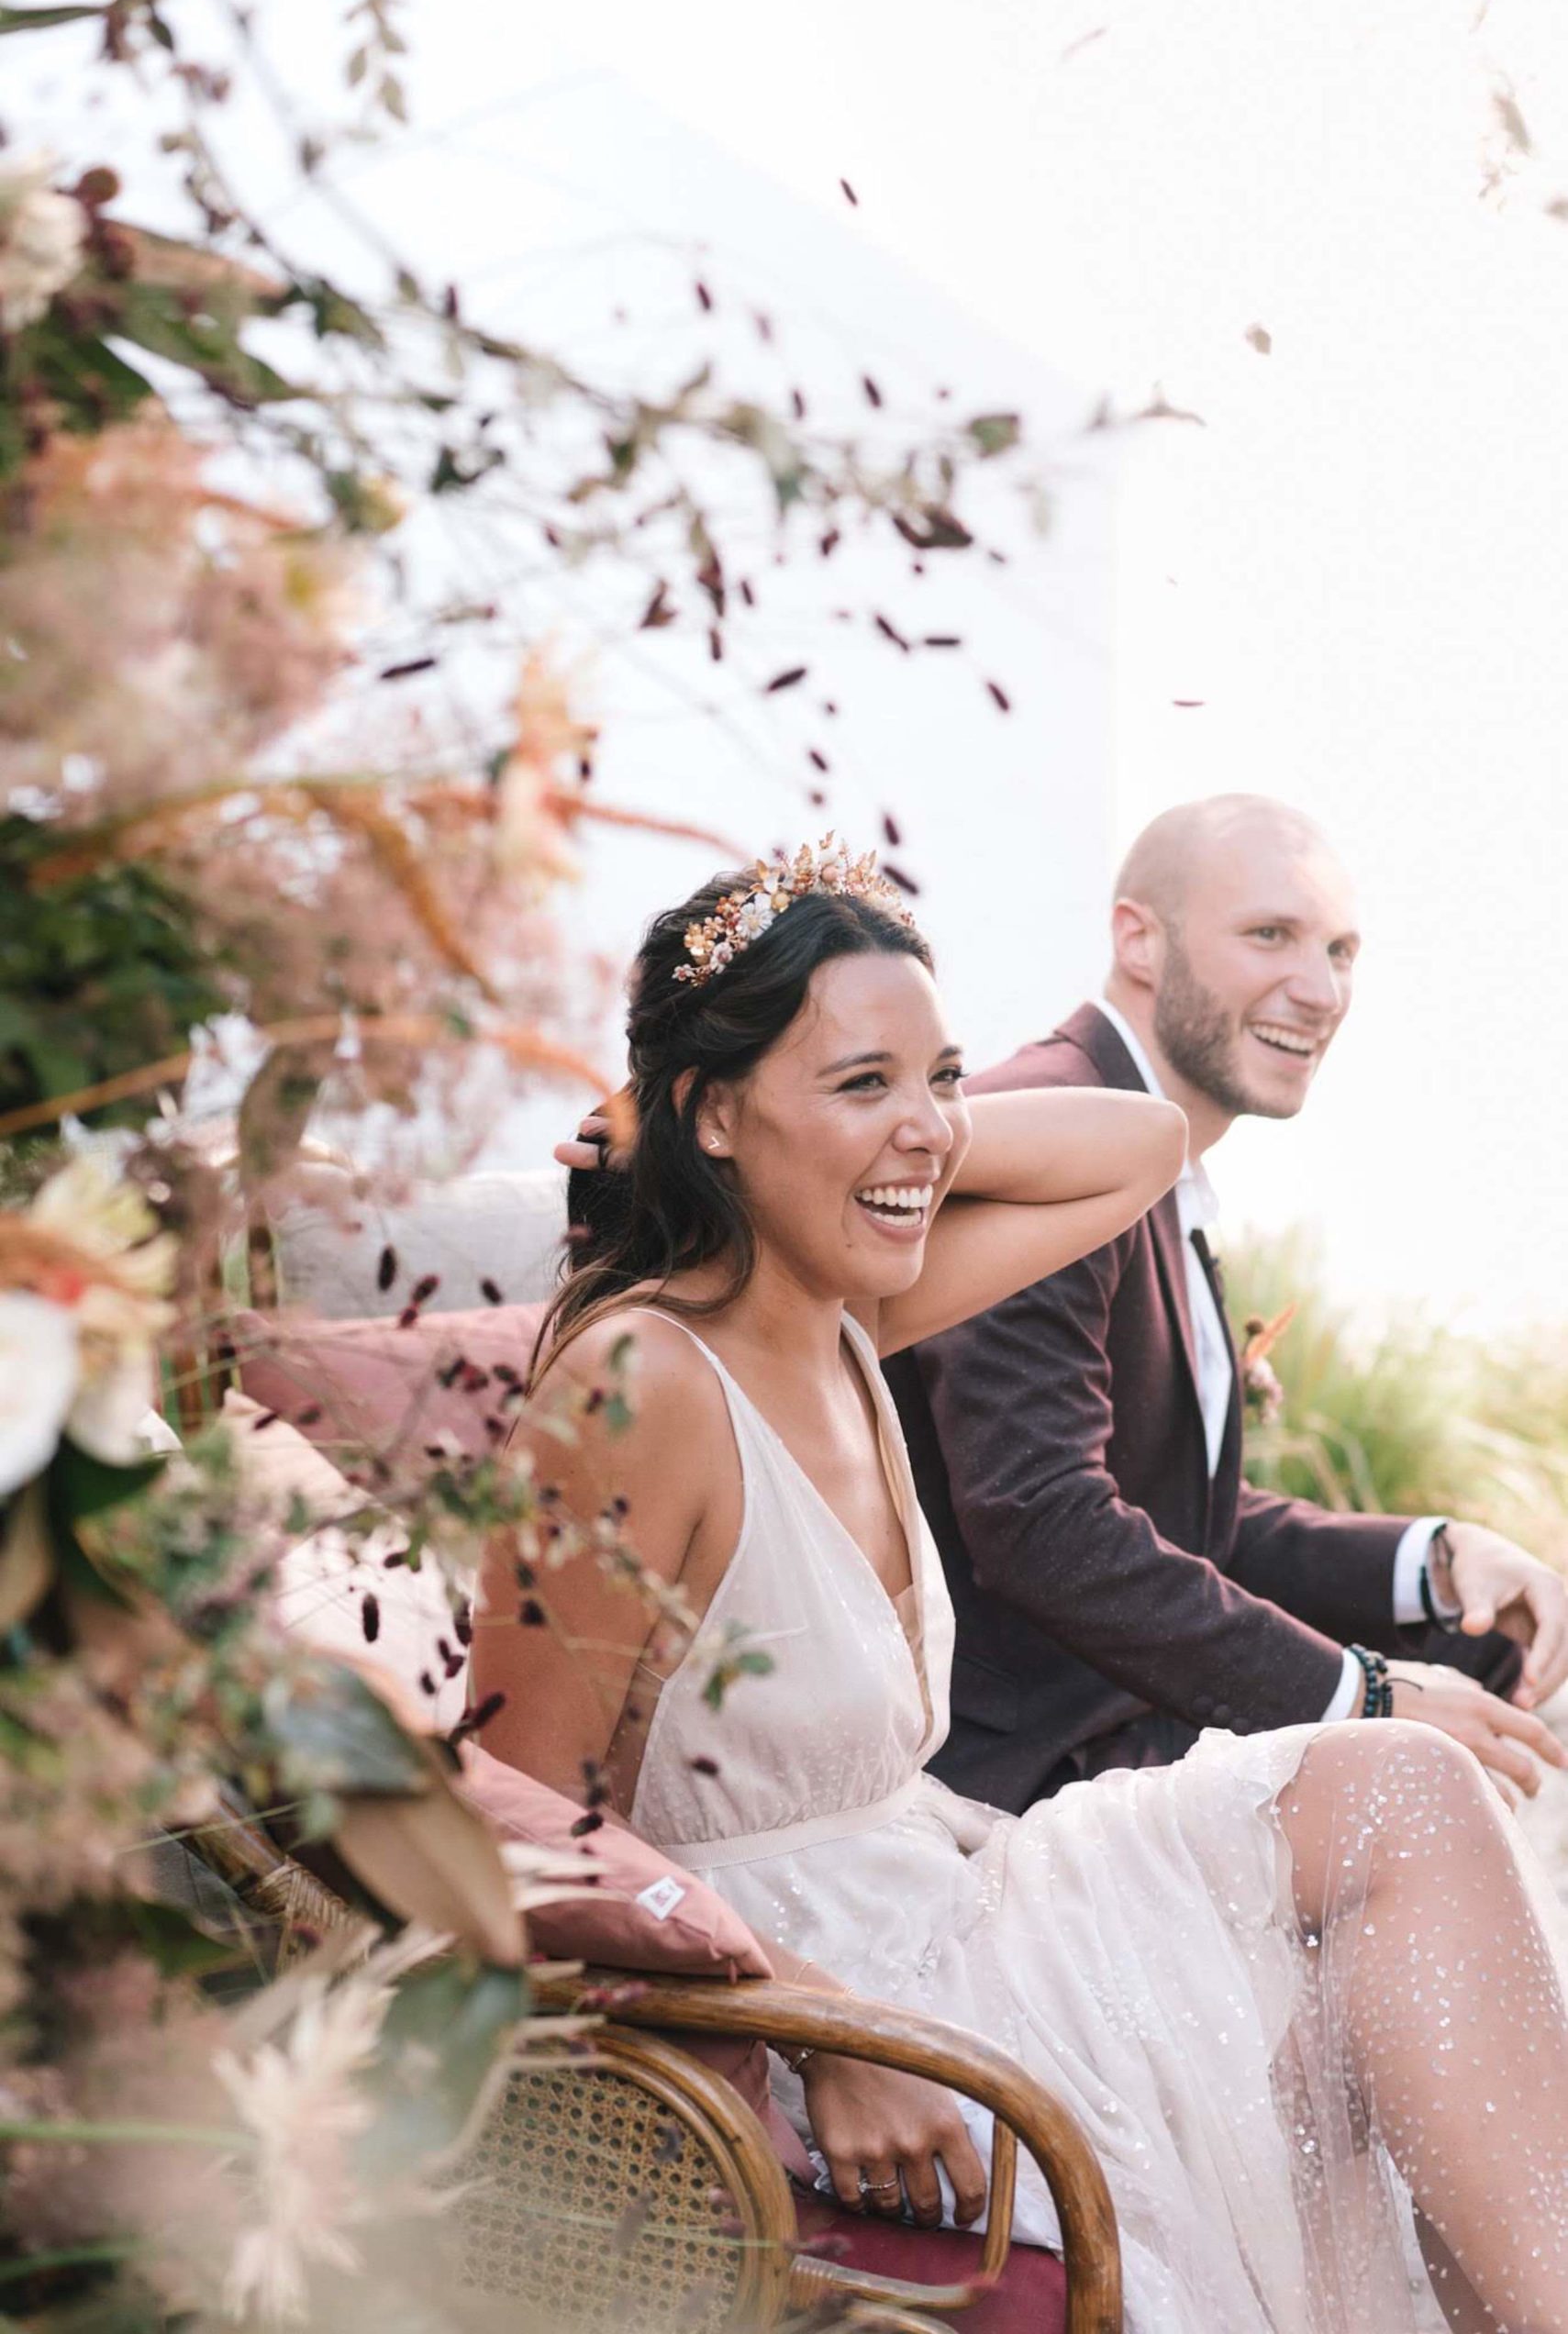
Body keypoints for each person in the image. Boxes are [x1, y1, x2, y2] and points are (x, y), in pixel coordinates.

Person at [478, 838, 1568, 2333]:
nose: (926, 1126)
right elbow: (511, 1816)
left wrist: (880, 1141)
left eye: (939, 1076)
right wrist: (821, 2021)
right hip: (829, 1979)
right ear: (713, 1110)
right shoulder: (638, 1381)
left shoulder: (844, 1315)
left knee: (1404, 1817)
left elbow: (1131, 1143)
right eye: (859, 1080)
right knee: (1387, 1820)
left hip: (958, 1887)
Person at [885, 795, 1568, 1811]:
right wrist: (1365, 1697)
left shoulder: (1154, 1159)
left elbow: (1184, 1520)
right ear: (1137, 940)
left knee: (1496, 1671)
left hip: (1125, 1730)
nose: (1320, 987)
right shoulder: (1042, 1134)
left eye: (1340, 950)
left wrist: (1436, 1556)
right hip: (1019, 1773)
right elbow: (1042, 1520)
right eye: (1269, 936)